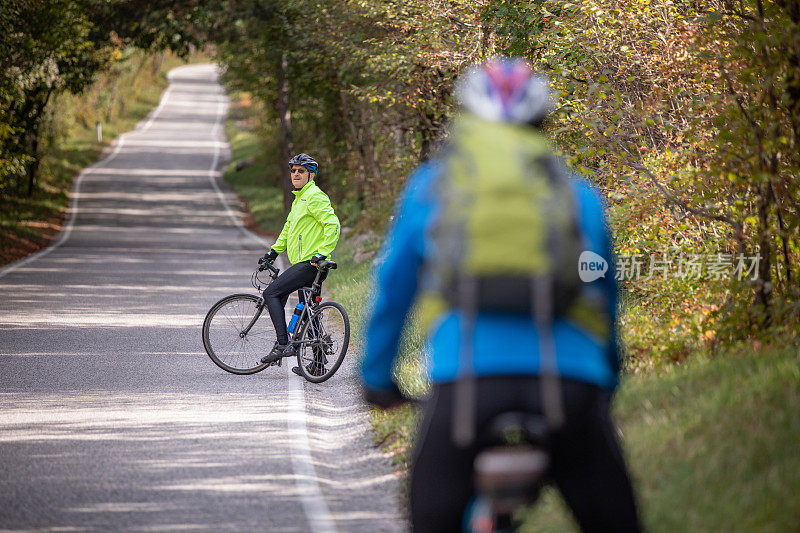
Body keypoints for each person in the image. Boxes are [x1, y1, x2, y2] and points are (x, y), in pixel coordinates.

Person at [360, 58, 641, 532]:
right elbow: (604, 292)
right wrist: (605, 377)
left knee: (431, 518)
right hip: (570, 382)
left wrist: (376, 376)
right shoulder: (578, 196)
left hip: (466, 383)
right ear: (543, 123)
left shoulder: (433, 187)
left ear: (466, 117)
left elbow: (393, 287)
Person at [259, 153, 341, 376]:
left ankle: (282, 344)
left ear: (311, 175)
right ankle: (318, 364)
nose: (296, 174)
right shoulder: (299, 199)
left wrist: (322, 253)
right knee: (308, 311)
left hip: (311, 264)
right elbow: (288, 230)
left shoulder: (314, 196)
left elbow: (332, 225)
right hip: (309, 264)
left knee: (271, 294)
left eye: (301, 171)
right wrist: (273, 252)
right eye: (293, 170)